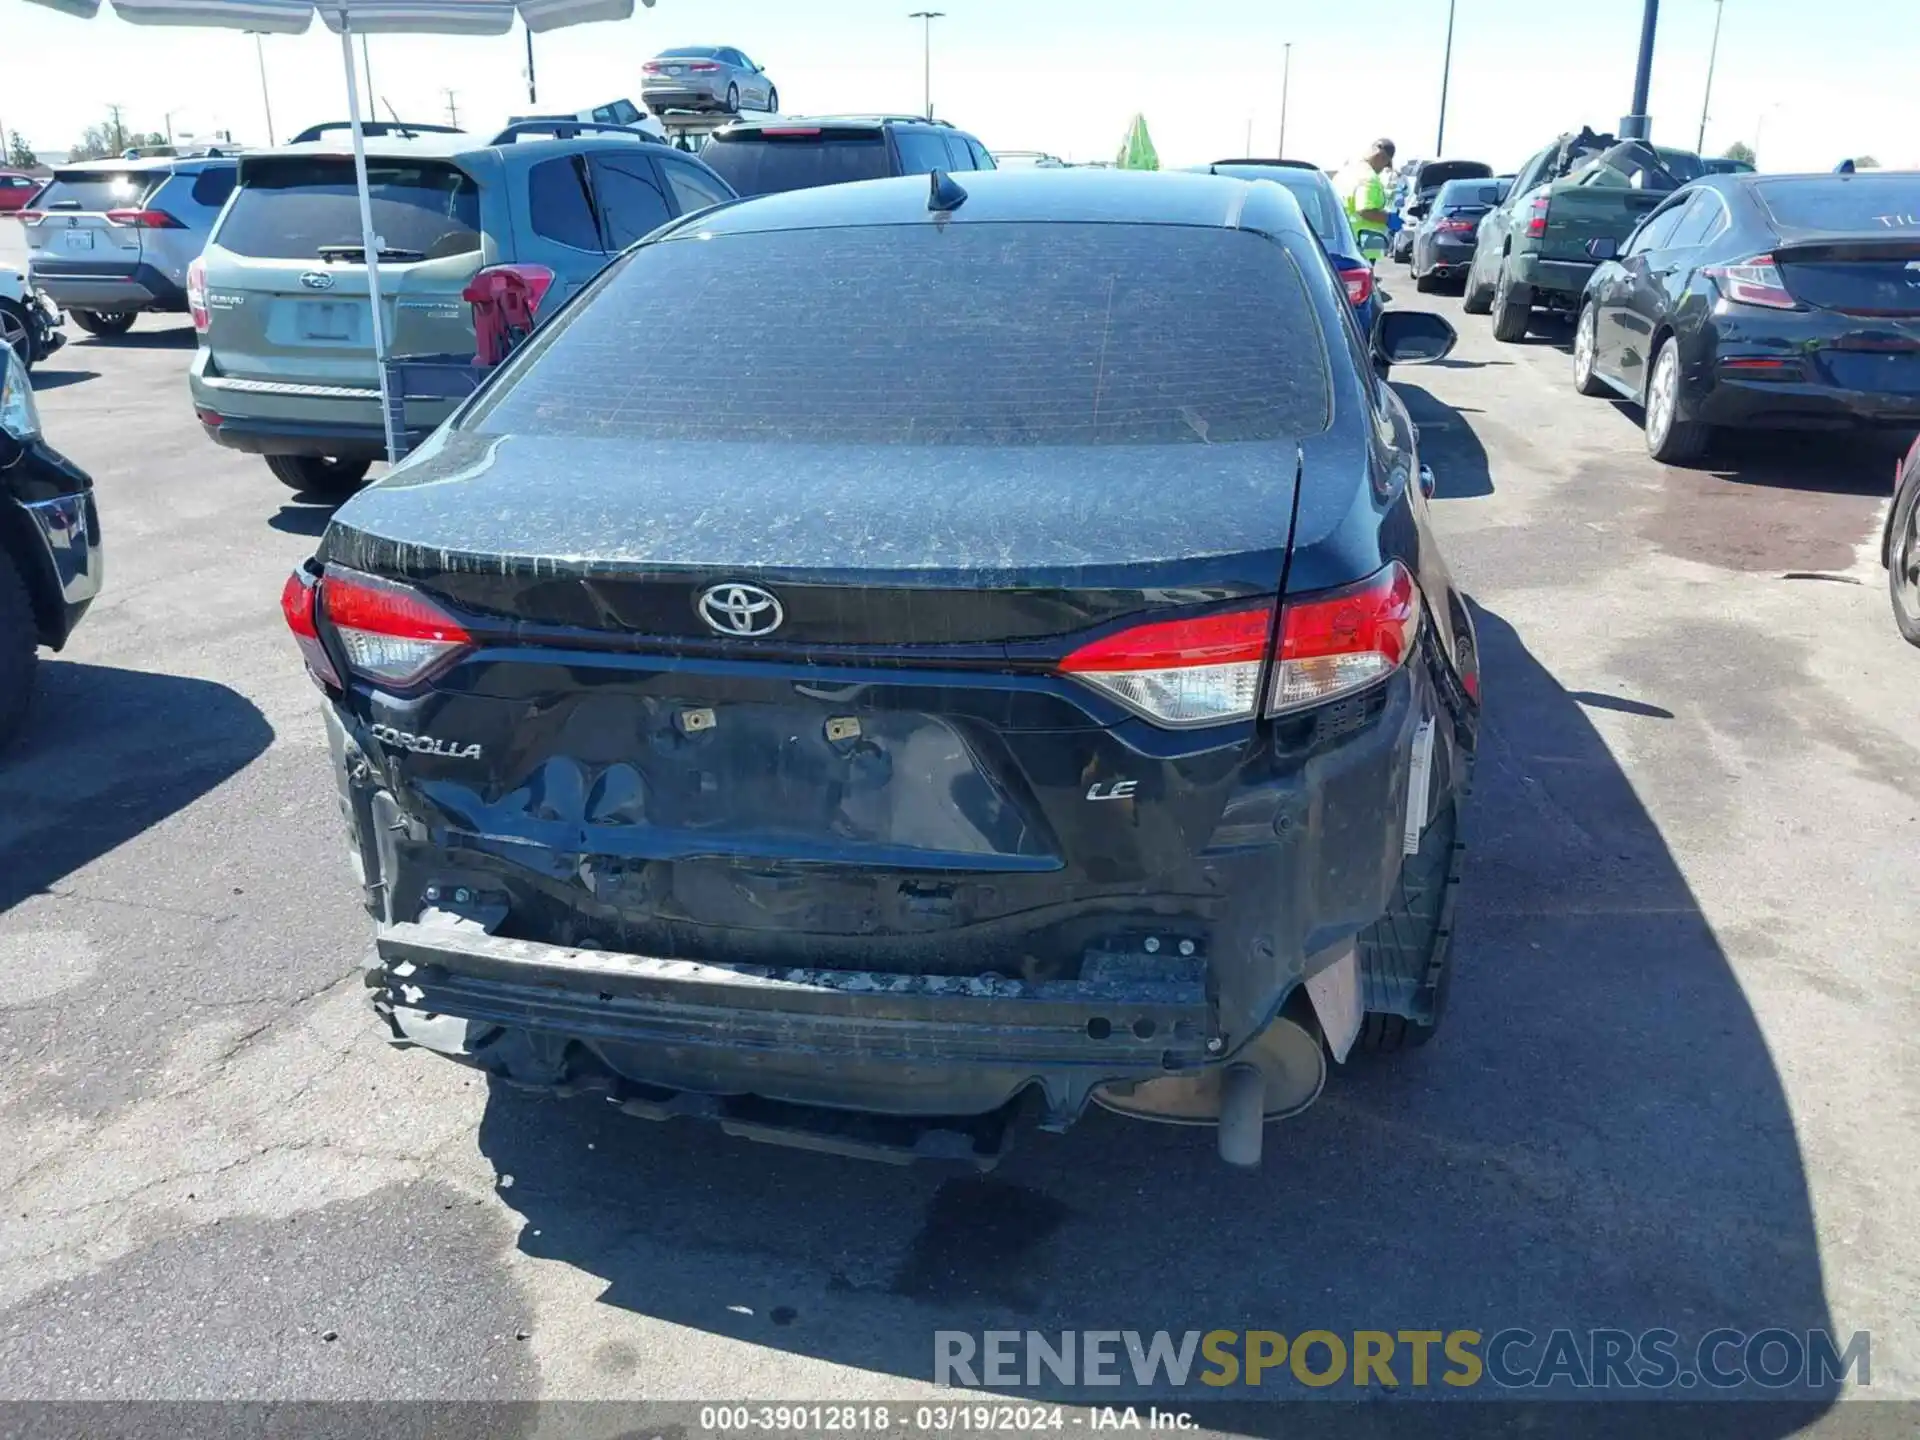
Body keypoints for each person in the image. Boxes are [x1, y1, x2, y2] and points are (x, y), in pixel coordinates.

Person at [1338, 138, 1396, 262]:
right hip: (1363, 245)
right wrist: (1389, 219)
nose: (1383, 169)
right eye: (1385, 164)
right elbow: (1365, 210)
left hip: (1340, 241)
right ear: (1382, 158)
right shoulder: (1369, 178)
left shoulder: (1346, 172)